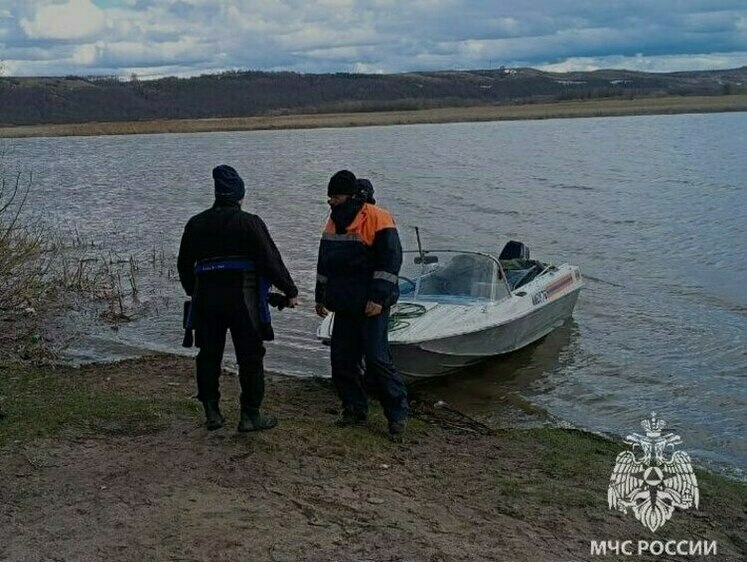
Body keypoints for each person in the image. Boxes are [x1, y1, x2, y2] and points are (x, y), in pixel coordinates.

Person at [177, 165, 298, 432]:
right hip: (244, 300)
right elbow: (271, 261)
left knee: (208, 355)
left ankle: (212, 413)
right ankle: (250, 416)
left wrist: (193, 291)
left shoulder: (196, 224)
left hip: (207, 300)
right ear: (239, 195)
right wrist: (290, 291)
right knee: (251, 357)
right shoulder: (250, 222)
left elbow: (183, 265)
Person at [315, 170, 408, 437]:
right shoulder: (332, 223)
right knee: (342, 361)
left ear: (351, 196)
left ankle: (397, 414)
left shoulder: (378, 218)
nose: (331, 201)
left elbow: (389, 263)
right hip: (344, 304)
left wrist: (378, 298)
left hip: (371, 305)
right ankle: (354, 408)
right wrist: (321, 296)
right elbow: (324, 263)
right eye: (329, 197)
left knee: (378, 359)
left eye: (335, 196)